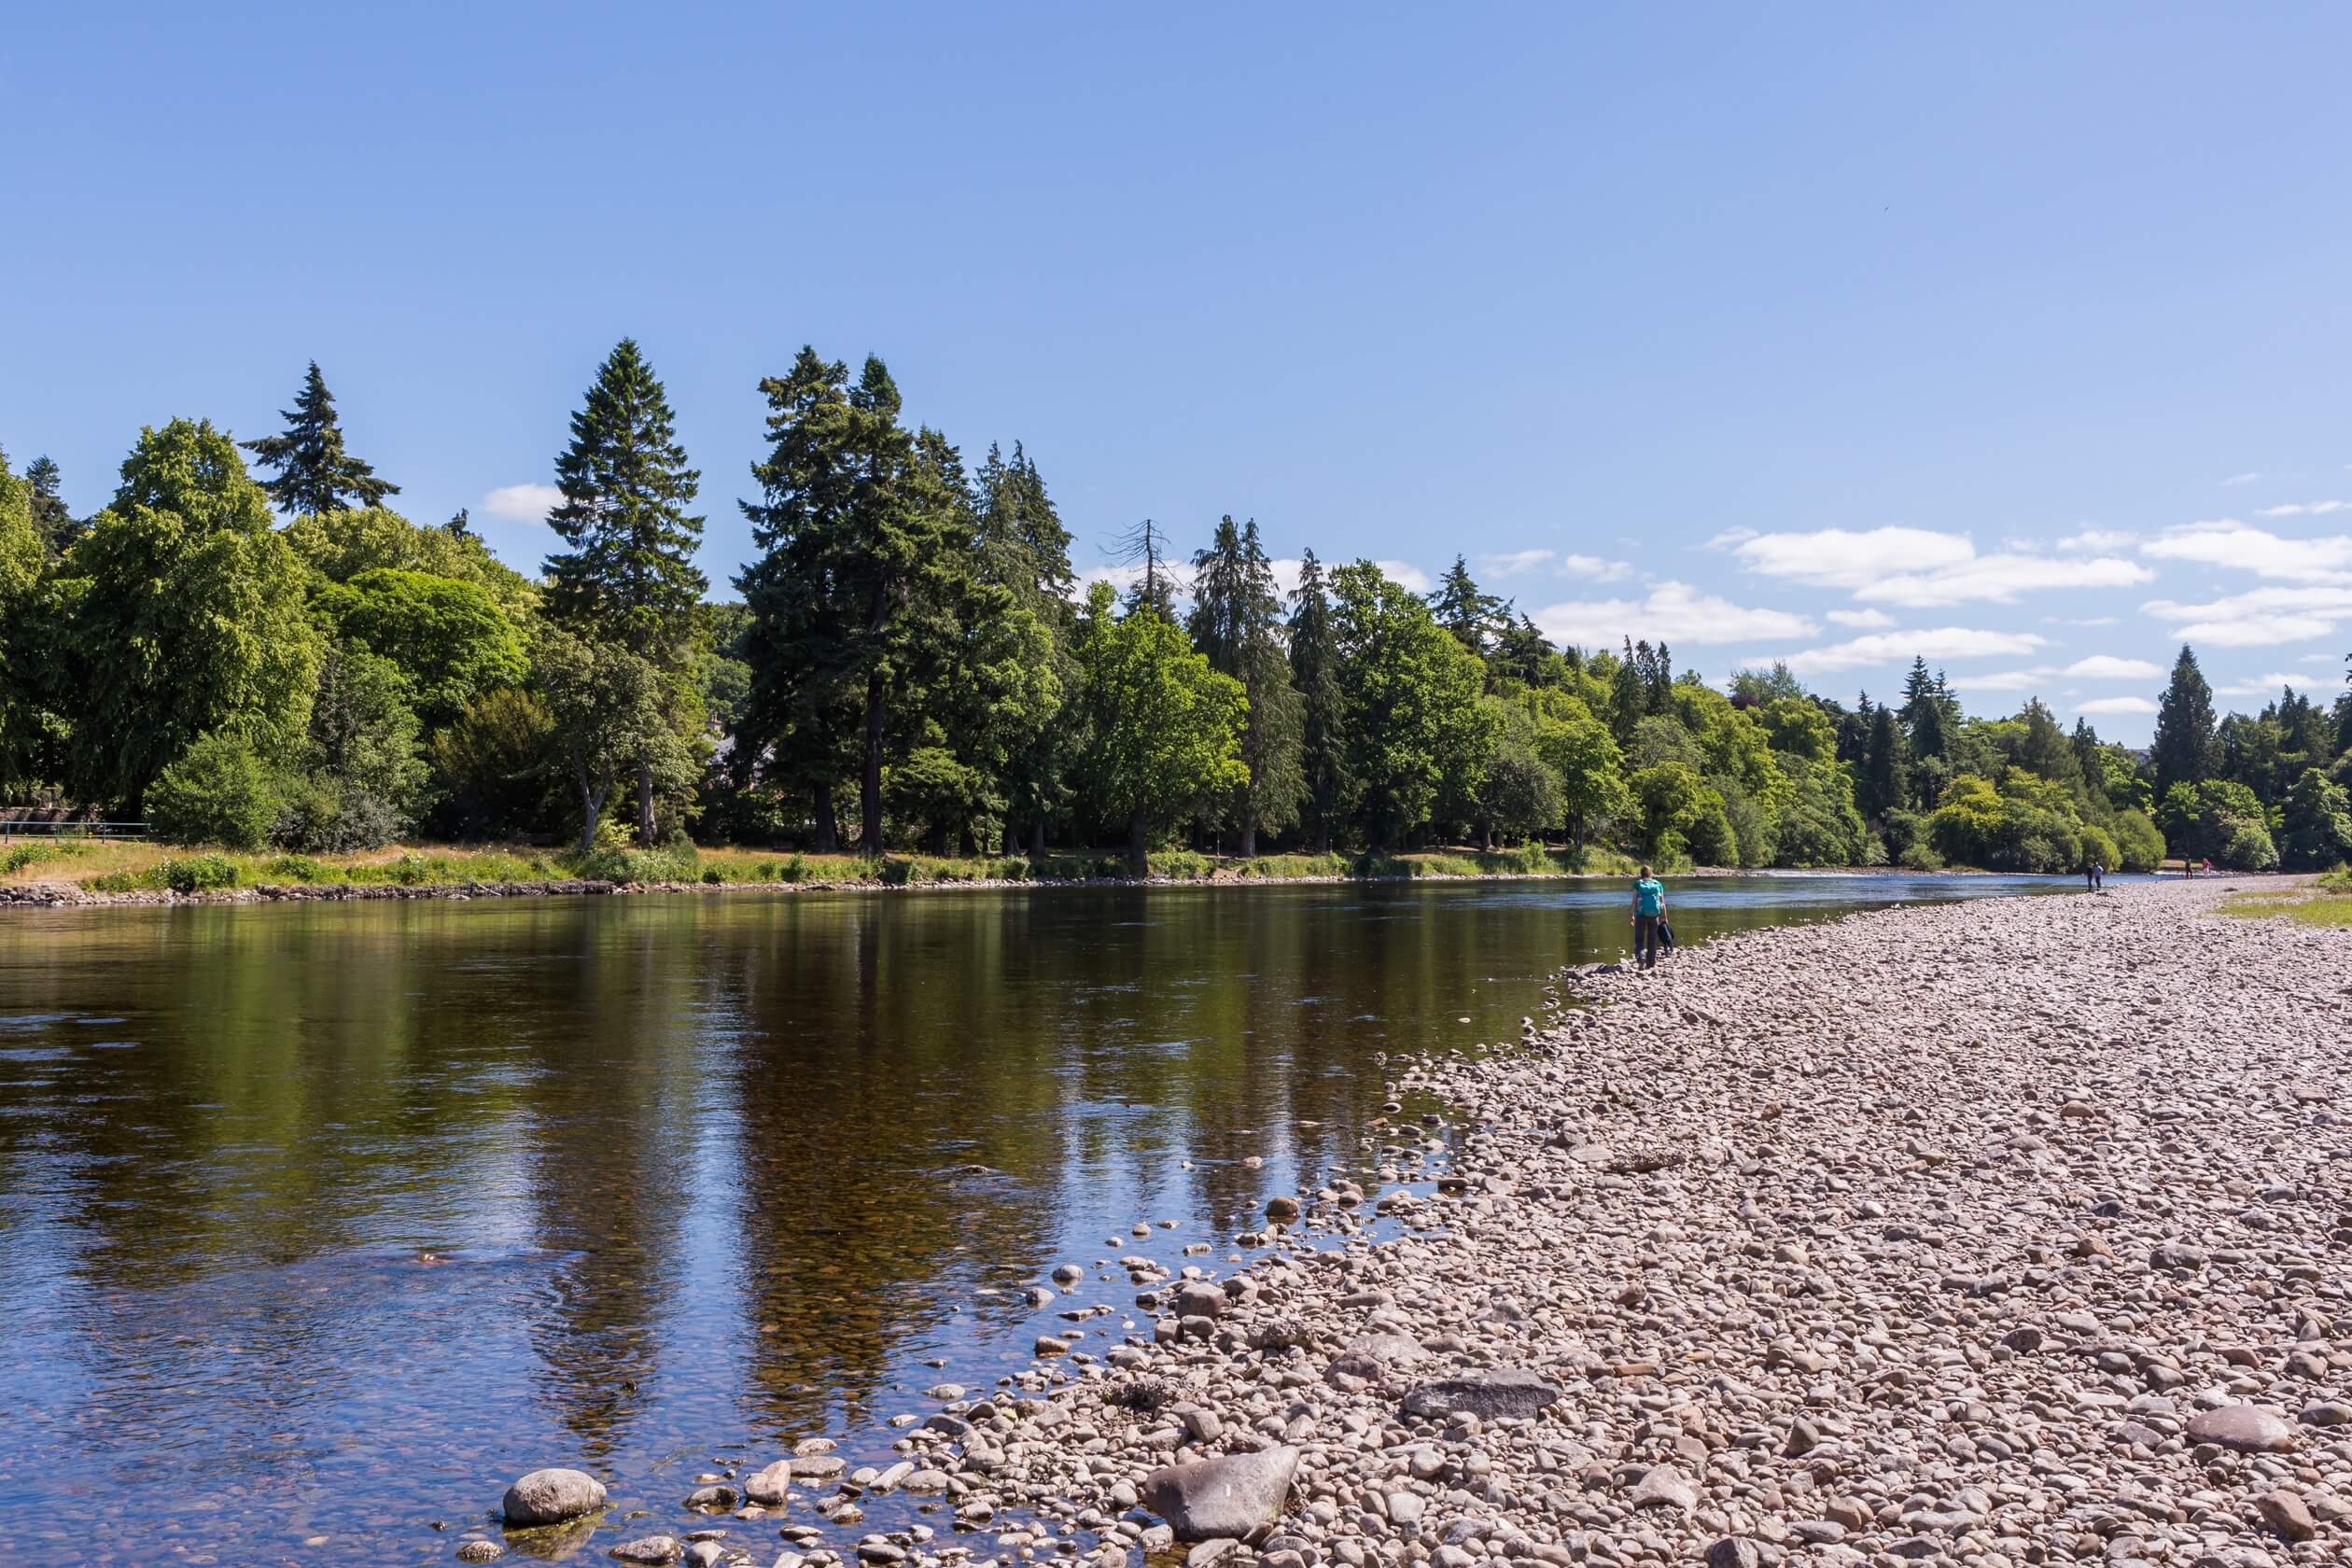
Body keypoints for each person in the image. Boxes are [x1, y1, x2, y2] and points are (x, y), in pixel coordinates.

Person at [1631, 863, 1667, 972]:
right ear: (1651, 873)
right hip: (1654, 915)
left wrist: (1632, 915)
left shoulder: (1638, 884)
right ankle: (1651, 964)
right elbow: (1662, 903)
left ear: (1641, 874)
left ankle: (1641, 957)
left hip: (1641, 915)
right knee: (1652, 940)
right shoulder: (1658, 884)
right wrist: (1664, 917)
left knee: (1639, 939)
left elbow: (1634, 901)